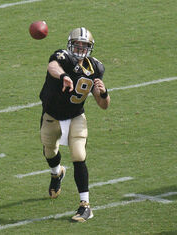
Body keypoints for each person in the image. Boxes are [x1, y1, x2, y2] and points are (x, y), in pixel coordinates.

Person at [39, 27, 110, 222]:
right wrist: (64, 76)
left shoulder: (96, 68)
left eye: (84, 45)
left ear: (90, 47)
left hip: (76, 116)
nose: (80, 48)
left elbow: (103, 105)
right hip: (52, 115)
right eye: (77, 44)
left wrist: (103, 93)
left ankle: (85, 206)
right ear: (70, 44)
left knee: (79, 156)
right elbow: (52, 66)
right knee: (49, 151)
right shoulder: (62, 57)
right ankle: (56, 173)